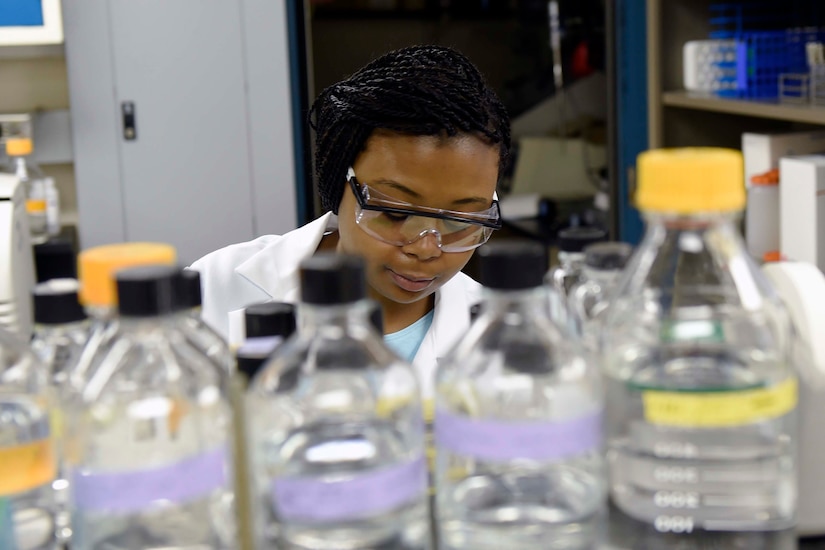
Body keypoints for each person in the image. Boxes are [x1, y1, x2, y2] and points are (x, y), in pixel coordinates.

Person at [191, 45, 511, 396]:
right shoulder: (213, 290)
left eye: (459, 220)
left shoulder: (502, 336)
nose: (425, 247)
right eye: (396, 212)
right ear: (337, 180)